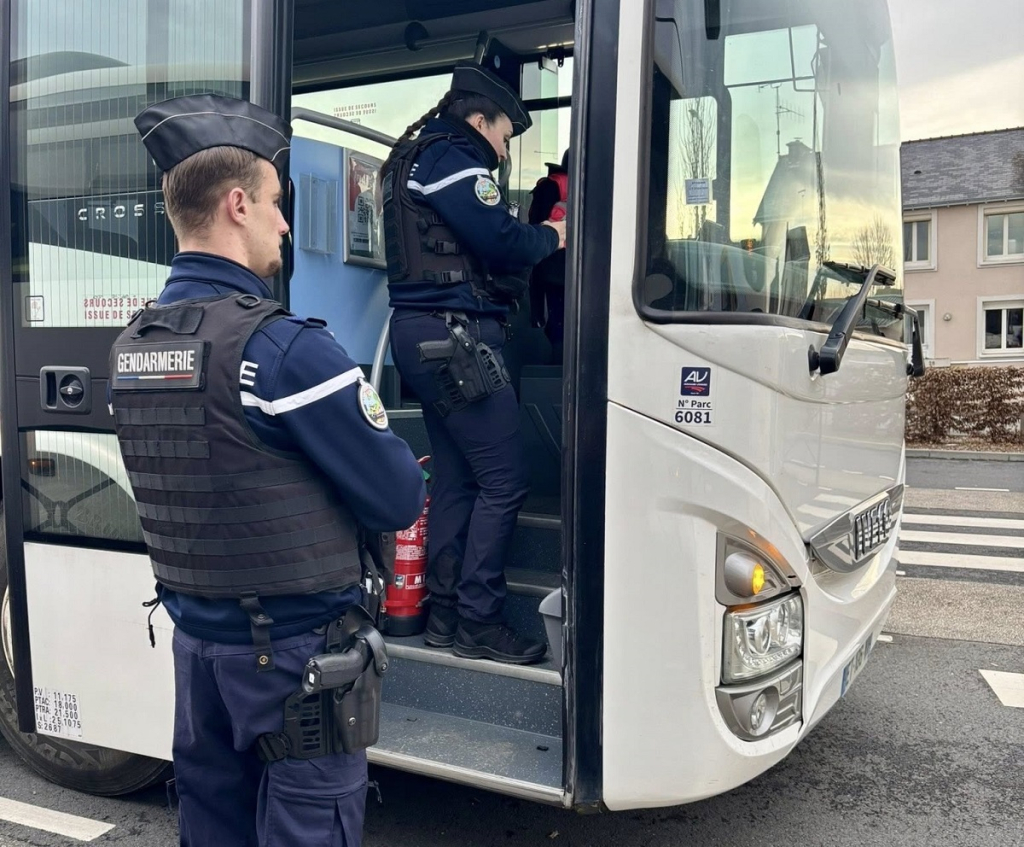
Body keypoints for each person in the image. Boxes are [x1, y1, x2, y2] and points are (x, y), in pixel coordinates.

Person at [109, 94, 426, 847]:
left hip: (198, 652)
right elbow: (397, 495)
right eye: (277, 204)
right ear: (238, 205)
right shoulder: (285, 351)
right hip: (294, 664)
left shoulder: (132, 349)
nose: (284, 224)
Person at [380, 63, 566, 665]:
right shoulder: (454, 156)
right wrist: (554, 235)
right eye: (505, 135)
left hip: (428, 338)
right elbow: (501, 241)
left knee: (459, 479)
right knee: (505, 479)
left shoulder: (421, 157)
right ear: (480, 120)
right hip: (454, 340)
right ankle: (480, 620)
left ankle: (444, 614)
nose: (505, 150)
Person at [528, 149, 570, 363]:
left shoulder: (549, 186)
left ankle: (557, 364)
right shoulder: (597, 186)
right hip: (588, 268)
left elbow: (534, 225)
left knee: (556, 318)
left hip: (552, 266)